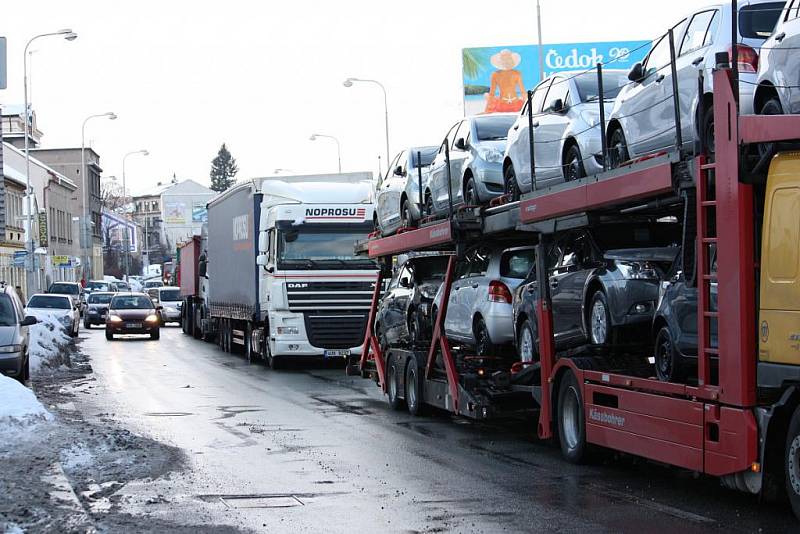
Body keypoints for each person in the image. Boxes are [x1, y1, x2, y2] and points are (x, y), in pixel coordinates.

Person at [484, 49, 526, 114]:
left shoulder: (517, 74)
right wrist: (487, 110)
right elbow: (492, 93)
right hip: (504, 105)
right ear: (501, 61)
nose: (506, 61)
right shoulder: (495, 75)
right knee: (486, 95)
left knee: (487, 96)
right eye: (504, 59)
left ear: (511, 60)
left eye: (508, 59)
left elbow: (523, 92)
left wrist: (528, 104)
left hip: (515, 105)